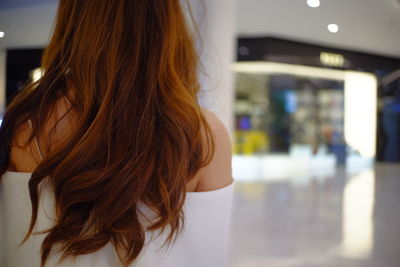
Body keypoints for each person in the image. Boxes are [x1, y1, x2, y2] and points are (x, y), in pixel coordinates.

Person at [0, 1, 234, 266]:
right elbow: (207, 254)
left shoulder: (26, 124)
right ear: (168, 24)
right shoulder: (204, 133)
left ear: (74, 19)